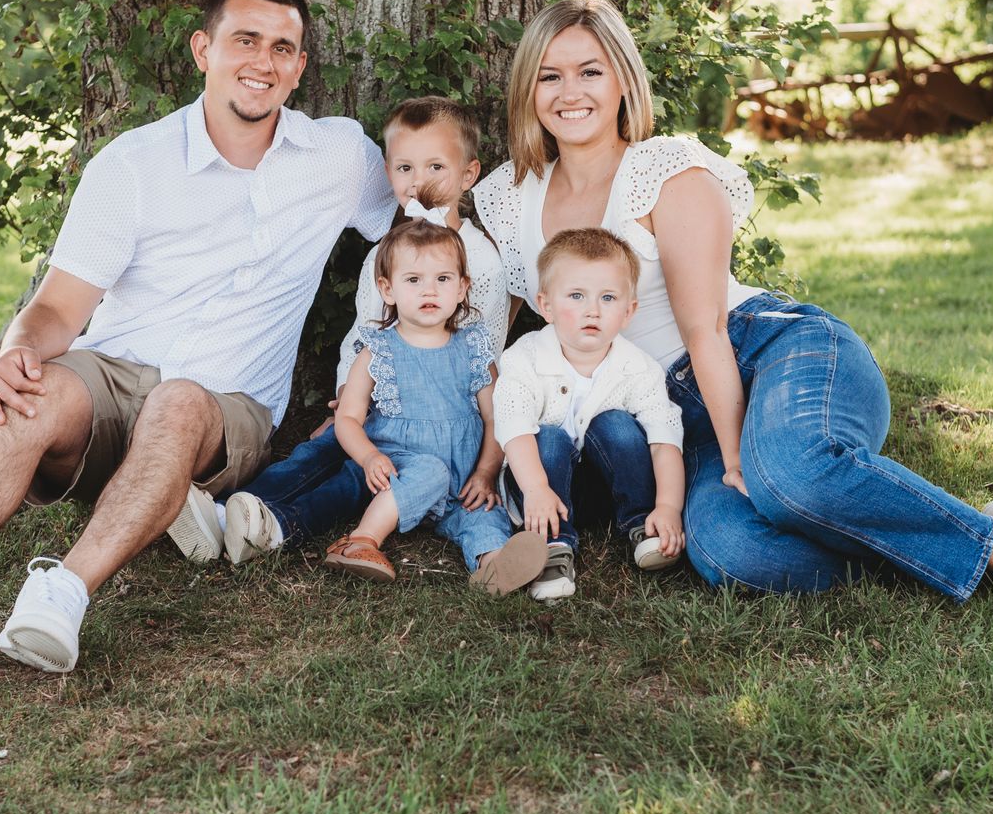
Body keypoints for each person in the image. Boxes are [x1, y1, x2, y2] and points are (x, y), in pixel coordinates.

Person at [474, 0, 993, 601]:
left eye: (590, 71)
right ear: (528, 86)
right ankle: (911, 530)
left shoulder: (666, 171)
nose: (570, 92)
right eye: (549, 75)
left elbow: (705, 327)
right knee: (735, 552)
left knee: (787, 477)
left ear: (622, 78)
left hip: (766, 350)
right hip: (672, 418)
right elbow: (503, 340)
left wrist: (738, 460)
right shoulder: (510, 195)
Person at [0, 0, 399, 679]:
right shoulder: (134, 165)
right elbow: (56, 308)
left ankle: (62, 593)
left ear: (298, 68)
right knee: (32, 391)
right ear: (203, 50)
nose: (261, 61)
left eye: (281, 48)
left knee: (176, 404)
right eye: (244, 40)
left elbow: (422, 223)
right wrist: (17, 352)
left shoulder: (340, 158)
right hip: (112, 381)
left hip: (222, 408)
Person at [163, 95, 507, 564]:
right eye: (403, 168)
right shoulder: (384, 254)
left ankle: (277, 524)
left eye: (434, 167)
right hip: (378, 408)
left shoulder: (480, 259)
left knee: (347, 475)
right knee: (322, 448)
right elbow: (365, 333)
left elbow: (484, 349)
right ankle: (229, 514)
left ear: (468, 174)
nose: (417, 181)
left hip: (448, 421)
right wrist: (351, 392)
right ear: (387, 172)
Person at [291, 211, 547, 590]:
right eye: (413, 280)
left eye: (443, 279)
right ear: (387, 289)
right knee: (429, 471)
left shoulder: (475, 348)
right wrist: (369, 457)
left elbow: (497, 419)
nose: (429, 291)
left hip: (463, 480)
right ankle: (361, 541)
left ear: (462, 289)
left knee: (484, 513)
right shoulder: (377, 351)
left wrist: (486, 473)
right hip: (401, 468)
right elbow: (347, 418)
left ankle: (493, 564)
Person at [492, 227, 686, 601]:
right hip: (537, 488)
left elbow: (665, 440)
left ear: (629, 311)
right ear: (545, 305)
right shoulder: (525, 357)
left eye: (608, 297)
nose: (592, 310)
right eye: (576, 296)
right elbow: (514, 428)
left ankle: (642, 523)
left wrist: (668, 506)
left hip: (601, 492)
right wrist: (535, 489)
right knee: (547, 435)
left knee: (616, 424)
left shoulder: (639, 368)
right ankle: (550, 544)